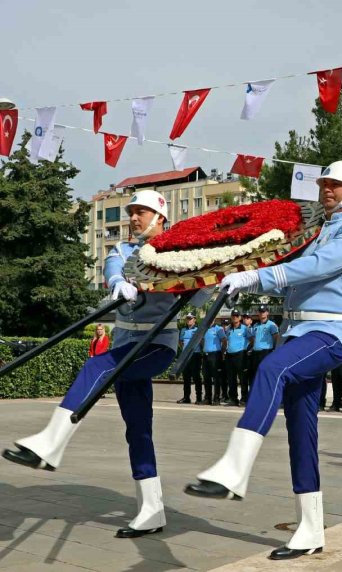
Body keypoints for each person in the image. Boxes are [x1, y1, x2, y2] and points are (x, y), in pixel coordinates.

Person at [183, 159, 342, 560]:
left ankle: (234, 468)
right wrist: (243, 278)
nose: (327, 190)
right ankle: (310, 528)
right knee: (301, 433)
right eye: (324, 183)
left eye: (336, 185)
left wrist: (260, 277)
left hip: (329, 334)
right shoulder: (318, 231)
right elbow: (296, 282)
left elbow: (318, 267)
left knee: (273, 368)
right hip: (298, 331)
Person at [3, 189, 204, 539]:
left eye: (141, 212)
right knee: (137, 428)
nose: (134, 218)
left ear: (160, 217)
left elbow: (200, 293)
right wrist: (118, 284)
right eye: (132, 212)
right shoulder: (123, 250)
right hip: (126, 342)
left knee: (96, 367)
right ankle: (152, 509)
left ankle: (52, 441)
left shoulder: (178, 250)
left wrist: (196, 280)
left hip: (157, 344)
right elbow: (113, 269)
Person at [247, 305, 279, 398]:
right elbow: (253, 339)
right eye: (260, 311)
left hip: (266, 352)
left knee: (266, 374)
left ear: (267, 313)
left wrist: (273, 350)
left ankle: (268, 396)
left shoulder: (271, 325)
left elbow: (276, 338)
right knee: (255, 374)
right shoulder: (256, 325)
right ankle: (257, 395)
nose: (262, 313)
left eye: (264, 311)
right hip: (256, 353)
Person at [223, 310, 252, 406]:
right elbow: (225, 340)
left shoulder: (245, 328)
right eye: (233, 315)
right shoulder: (228, 329)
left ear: (240, 317)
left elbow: (252, 340)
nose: (235, 317)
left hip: (241, 355)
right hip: (229, 355)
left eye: (236, 315)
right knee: (231, 378)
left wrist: (247, 350)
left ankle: (244, 399)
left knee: (243, 378)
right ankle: (233, 399)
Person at [178, 314, 203, 404]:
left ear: (194, 319)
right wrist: (184, 350)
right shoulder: (183, 330)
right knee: (186, 377)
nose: (188, 320)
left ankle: (199, 398)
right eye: (187, 319)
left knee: (196, 377)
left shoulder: (198, 329)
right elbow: (180, 342)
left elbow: (202, 342)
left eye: (190, 318)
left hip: (195, 355)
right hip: (185, 356)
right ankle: (186, 397)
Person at [203, 319, 227, 405]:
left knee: (216, 378)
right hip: (206, 355)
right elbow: (202, 341)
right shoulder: (204, 328)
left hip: (215, 355)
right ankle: (207, 398)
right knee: (206, 377)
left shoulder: (218, 328)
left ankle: (217, 399)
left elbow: (224, 341)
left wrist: (222, 352)